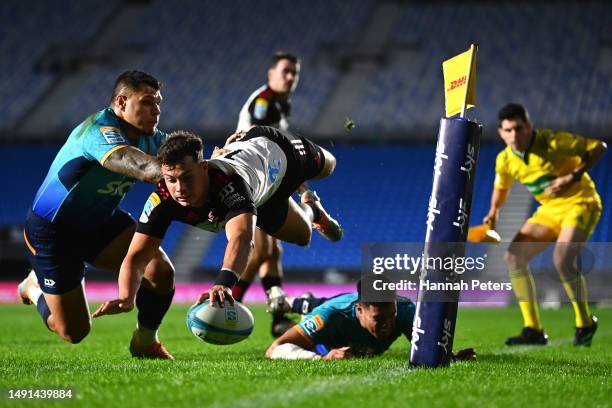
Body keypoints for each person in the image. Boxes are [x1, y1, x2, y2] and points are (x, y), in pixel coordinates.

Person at [92, 126, 343, 319]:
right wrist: (126, 296)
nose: (179, 189)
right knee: (303, 236)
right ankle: (312, 209)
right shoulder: (163, 198)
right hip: (263, 195)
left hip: (277, 152)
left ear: (203, 168)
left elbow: (243, 238)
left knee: (329, 166)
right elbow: (137, 256)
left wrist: (223, 284)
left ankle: (307, 196)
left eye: (187, 177)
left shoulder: (229, 184)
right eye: (170, 179)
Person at [19, 70, 176, 359]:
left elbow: (188, 158)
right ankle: (33, 287)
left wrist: (218, 161)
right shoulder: (98, 131)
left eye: (159, 103)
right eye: (147, 102)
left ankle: (145, 342)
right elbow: (142, 168)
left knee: (161, 272)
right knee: (74, 332)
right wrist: (178, 171)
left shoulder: (152, 138)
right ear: (121, 102)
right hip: (54, 233)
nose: (157, 111)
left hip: (101, 222)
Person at [484, 103, 606, 346]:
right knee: (513, 257)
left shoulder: (554, 142)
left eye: (519, 129)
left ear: (529, 127)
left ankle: (585, 323)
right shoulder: (505, 159)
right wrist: (493, 212)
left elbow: (598, 147)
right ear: (500, 132)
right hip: (549, 210)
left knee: (562, 259)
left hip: (581, 202)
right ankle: (533, 330)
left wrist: (572, 176)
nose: (514, 135)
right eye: (508, 130)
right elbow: (501, 188)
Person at [234, 51, 324, 337]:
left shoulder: (280, 105)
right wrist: (304, 189)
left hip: (265, 181)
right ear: (270, 74)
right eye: (285, 71)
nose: (290, 77)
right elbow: (274, 153)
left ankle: (278, 316)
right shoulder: (266, 105)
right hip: (253, 180)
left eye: (294, 73)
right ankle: (228, 303)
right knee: (261, 251)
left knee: (274, 252)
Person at [265, 277, 475, 361]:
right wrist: (322, 358)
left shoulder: (405, 311)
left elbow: (428, 352)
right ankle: (293, 303)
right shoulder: (332, 315)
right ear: (360, 310)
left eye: (391, 315)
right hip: (329, 318)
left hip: (342, 306)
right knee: (321, 314)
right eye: (378, 318)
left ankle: (302, 303)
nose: (388, 323)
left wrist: (452, 357)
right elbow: (274, 349)